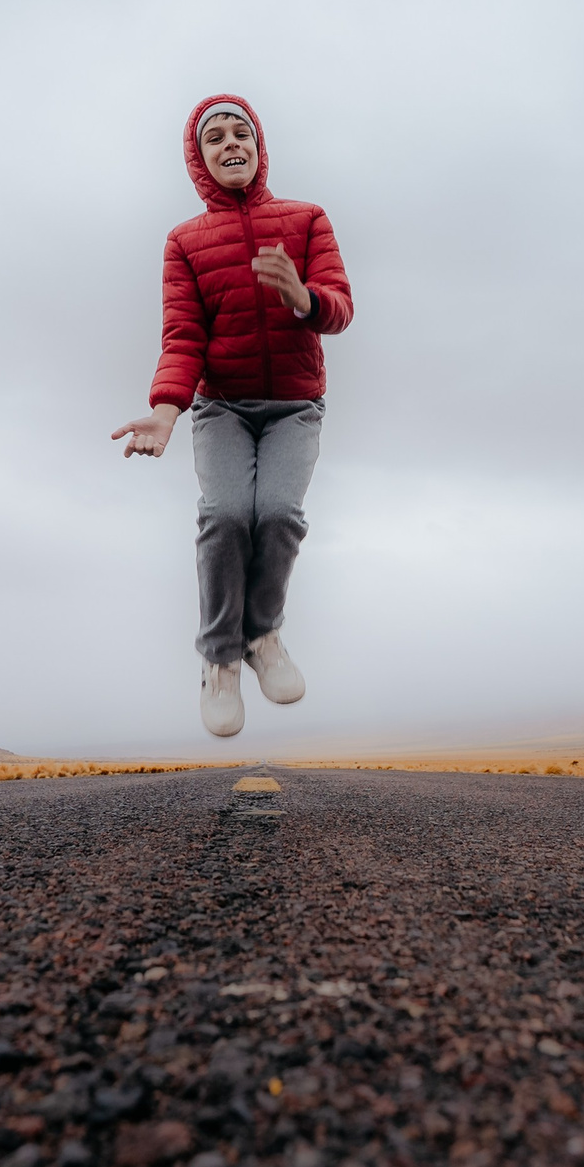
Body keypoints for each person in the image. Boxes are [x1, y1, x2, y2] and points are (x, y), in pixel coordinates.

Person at [111, 96, 355, 737]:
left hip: (295, 408)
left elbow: (340, 307)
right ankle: (219, 658)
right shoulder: (184, 242)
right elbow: (183, 337)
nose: (228, 143)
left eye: (238, 131)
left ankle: (262, 636)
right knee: (224, 516)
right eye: (213, 137)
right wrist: (166, 414)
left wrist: (302, 297)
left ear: (259, 144)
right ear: (200, 160)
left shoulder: (307, 219)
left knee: (276, 514)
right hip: (222, 408)